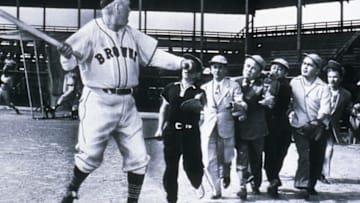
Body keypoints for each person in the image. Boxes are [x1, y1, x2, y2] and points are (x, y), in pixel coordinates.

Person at [57, 0, 196, 202]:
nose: (131, 9)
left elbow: (154, 55)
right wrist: (67, 56)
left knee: (139, 158)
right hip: (98, 99)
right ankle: (72, 189)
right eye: (127, 5)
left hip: (127, 102)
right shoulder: (90, 31)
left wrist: (179, 62)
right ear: (115, 7)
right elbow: (68, 64)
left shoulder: (131, 33)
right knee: (90, 156)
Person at [154, 54, 205, 203]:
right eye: (186, 67)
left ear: (197, 74)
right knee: (171, 168)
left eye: (192, 68)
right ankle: (171, 198)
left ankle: (197, 182)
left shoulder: (200, 92)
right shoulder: (171, 88)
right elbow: (164, 108)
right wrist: (159, 128)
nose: (187, 70)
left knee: (192, 166)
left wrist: (197, 105)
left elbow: (202, 111)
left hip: (190, 134)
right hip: (172, 133)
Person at [200, 55, 244, 199]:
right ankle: (216, 189)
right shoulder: (204, 88)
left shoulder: (233, 85)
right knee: (208, 160)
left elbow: (241, 102)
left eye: (221, 67)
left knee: (226, 157)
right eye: (215, 67)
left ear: (226, 70)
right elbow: (200, 108)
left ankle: (226, 173)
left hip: (226, 125)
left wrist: (236, 105)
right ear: (211, 69)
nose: (217, 70)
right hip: (208, 127)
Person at [288, 53, 331, 199]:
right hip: (299, 125)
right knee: (304, 155)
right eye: (304, 64)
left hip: (318, 126)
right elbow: (288, 101)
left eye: (310, 65)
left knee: (317, 157)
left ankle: (310, 185)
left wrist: (316, 122)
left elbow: (325, 108)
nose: (305, 67)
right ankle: (302, 185)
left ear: (318, 70)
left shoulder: (323, 87)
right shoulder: (294, 82)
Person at [234, 54, 274, 200]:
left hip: (257, 128)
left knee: (256, 157)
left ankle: (255, 182)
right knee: (242, 156)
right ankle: (241, 185)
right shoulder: (235, 82)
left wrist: (268, 100)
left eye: (253, 68)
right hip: (239, 127)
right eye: (247, 66)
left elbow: (269, 97)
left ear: (259, 72)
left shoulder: (262, 85)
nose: (249, 70)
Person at [263, 58, 292, 198]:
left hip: (277, 121)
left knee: (277, 152)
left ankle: (273, 177)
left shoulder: (280, 84)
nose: (275, 70)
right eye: (273, 67)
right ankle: (273, 178)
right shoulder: (273, 82)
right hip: (274, 122)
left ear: (285, 73)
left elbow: (271, 100)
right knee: (274, 152)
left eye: (280, 69)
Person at [320, 60, 352, 184]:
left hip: (332, 127)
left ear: (340, 78)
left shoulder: (345, 94)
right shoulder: (320, 89)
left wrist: (354, 110)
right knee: (315, 150)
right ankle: (314, 173)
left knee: (329, 149)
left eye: (335, 77)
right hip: (318, 124)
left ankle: (325, 174)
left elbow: (347, 109)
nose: (332, 80)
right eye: (329, 77)